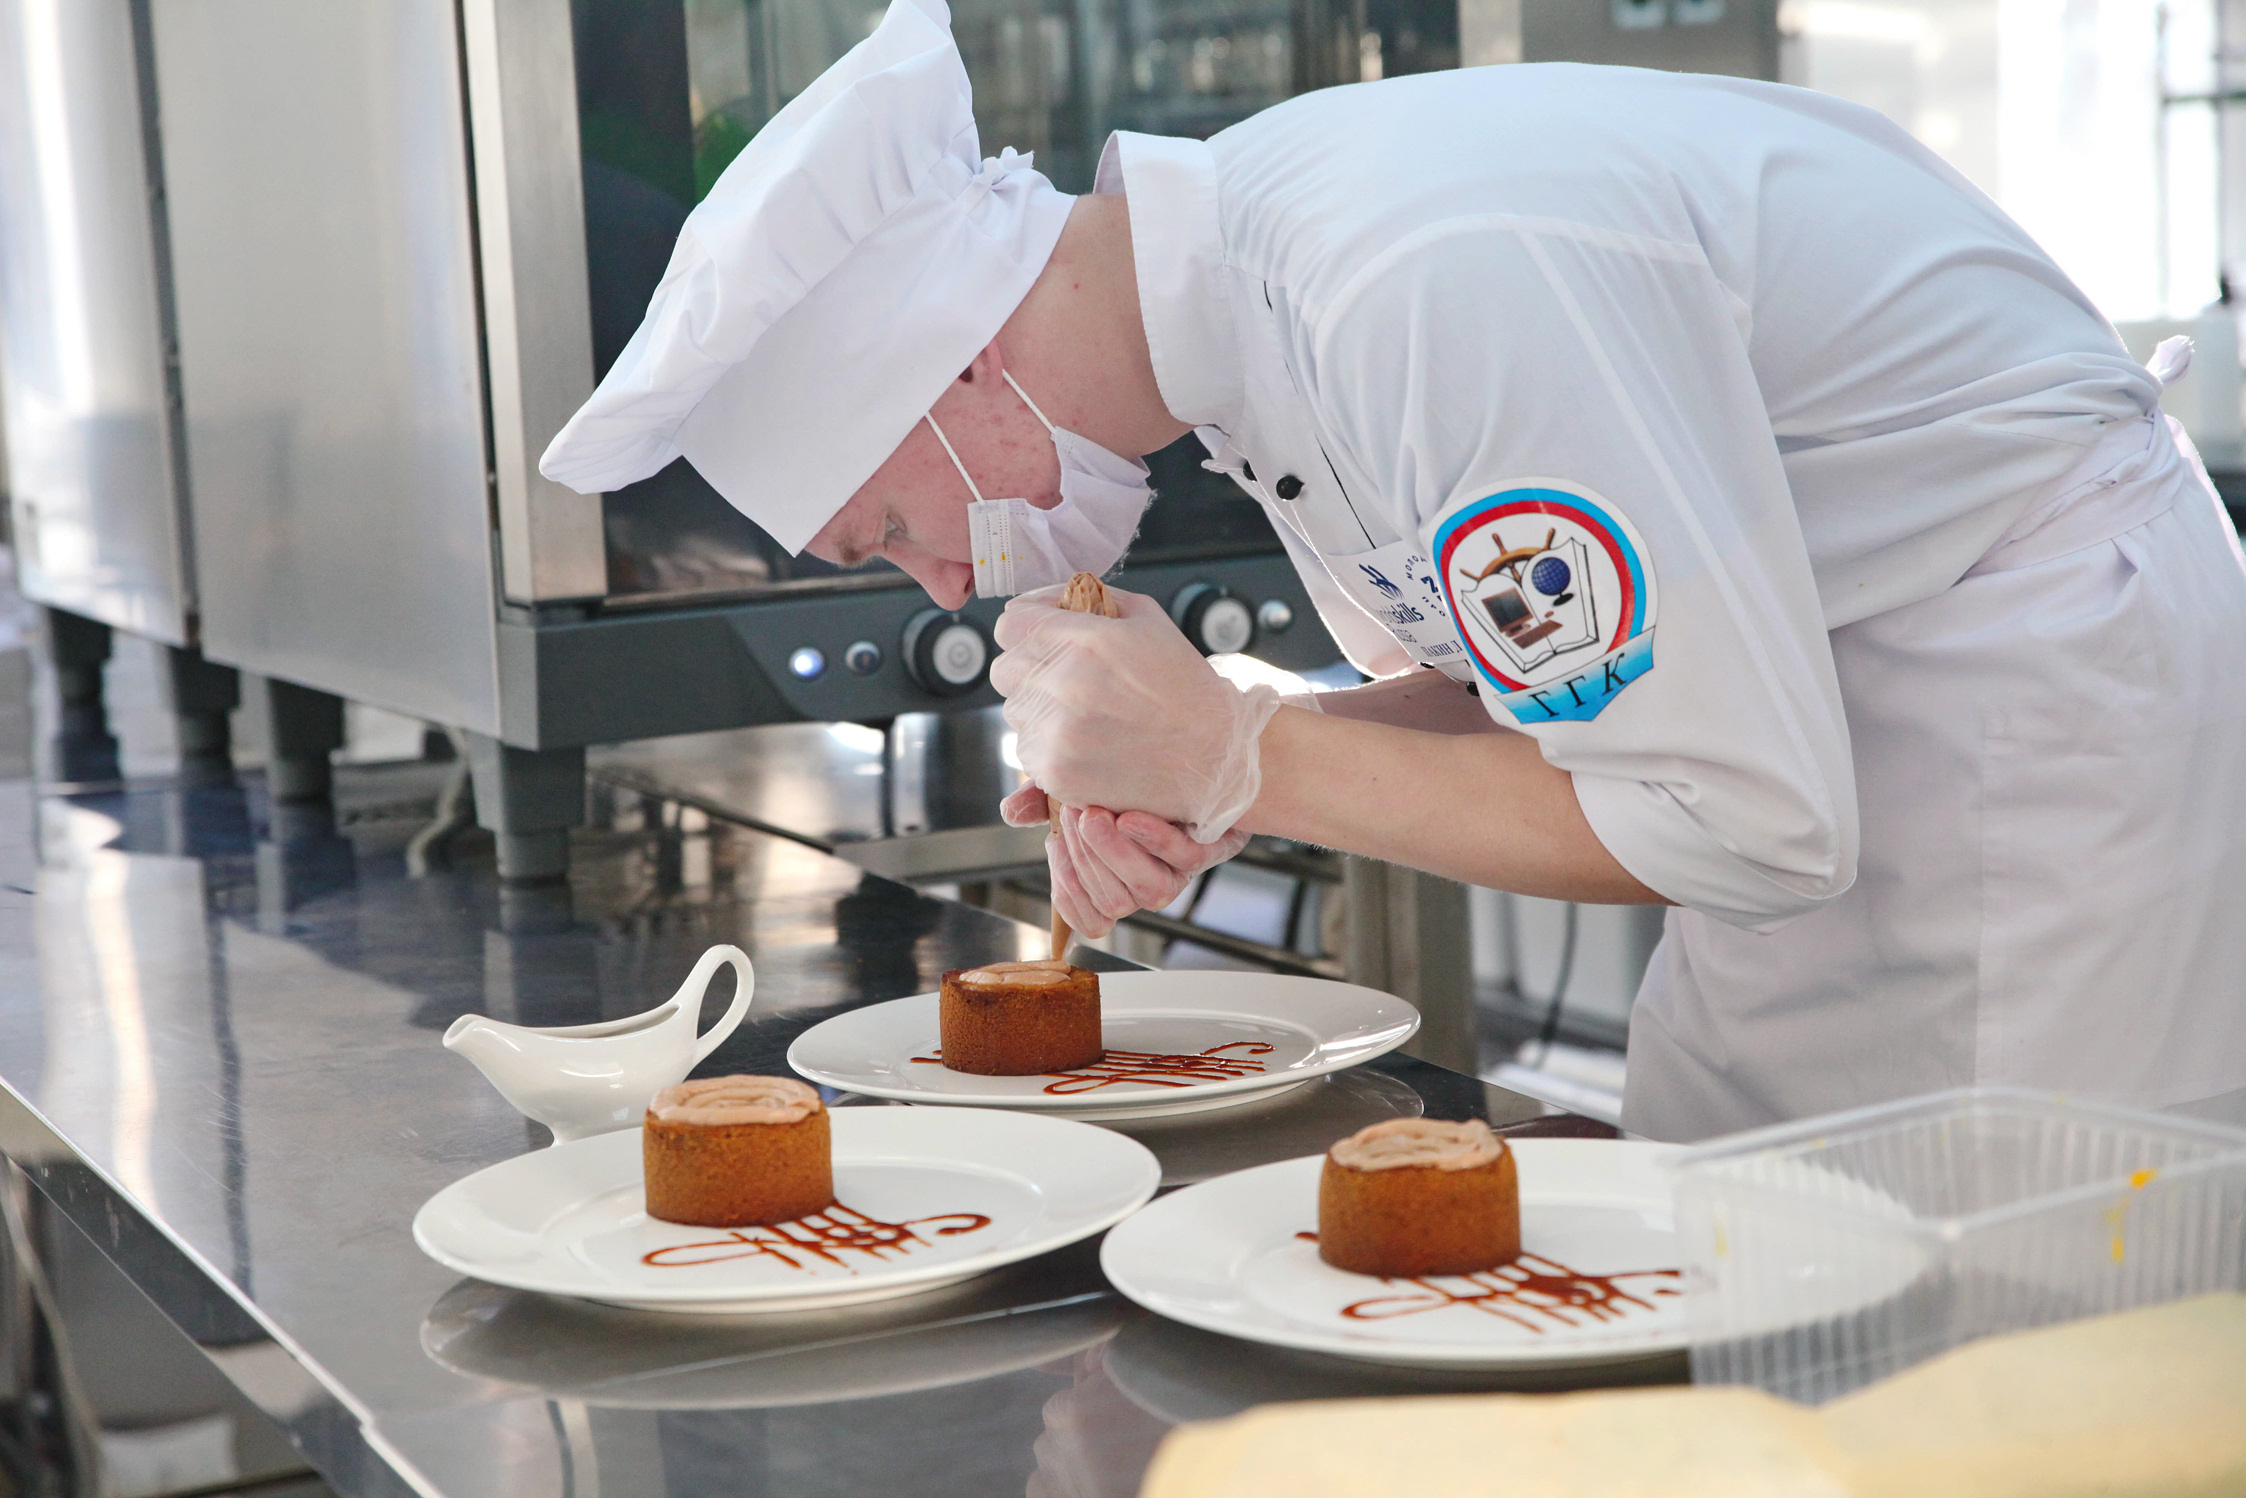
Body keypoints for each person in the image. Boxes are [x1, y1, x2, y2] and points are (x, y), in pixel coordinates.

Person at [540, 0, 2246, 1139]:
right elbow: (1544, 674)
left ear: (955, 377)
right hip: (1826, 716)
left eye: (887, 533)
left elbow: (1743, 821)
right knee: (1750, 1216)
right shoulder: (1244, 319)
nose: (930, 588)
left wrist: (1251, 753)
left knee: (1997, 1318)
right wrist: (1238, 745)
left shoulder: (1410, 281)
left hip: (2025, 711)